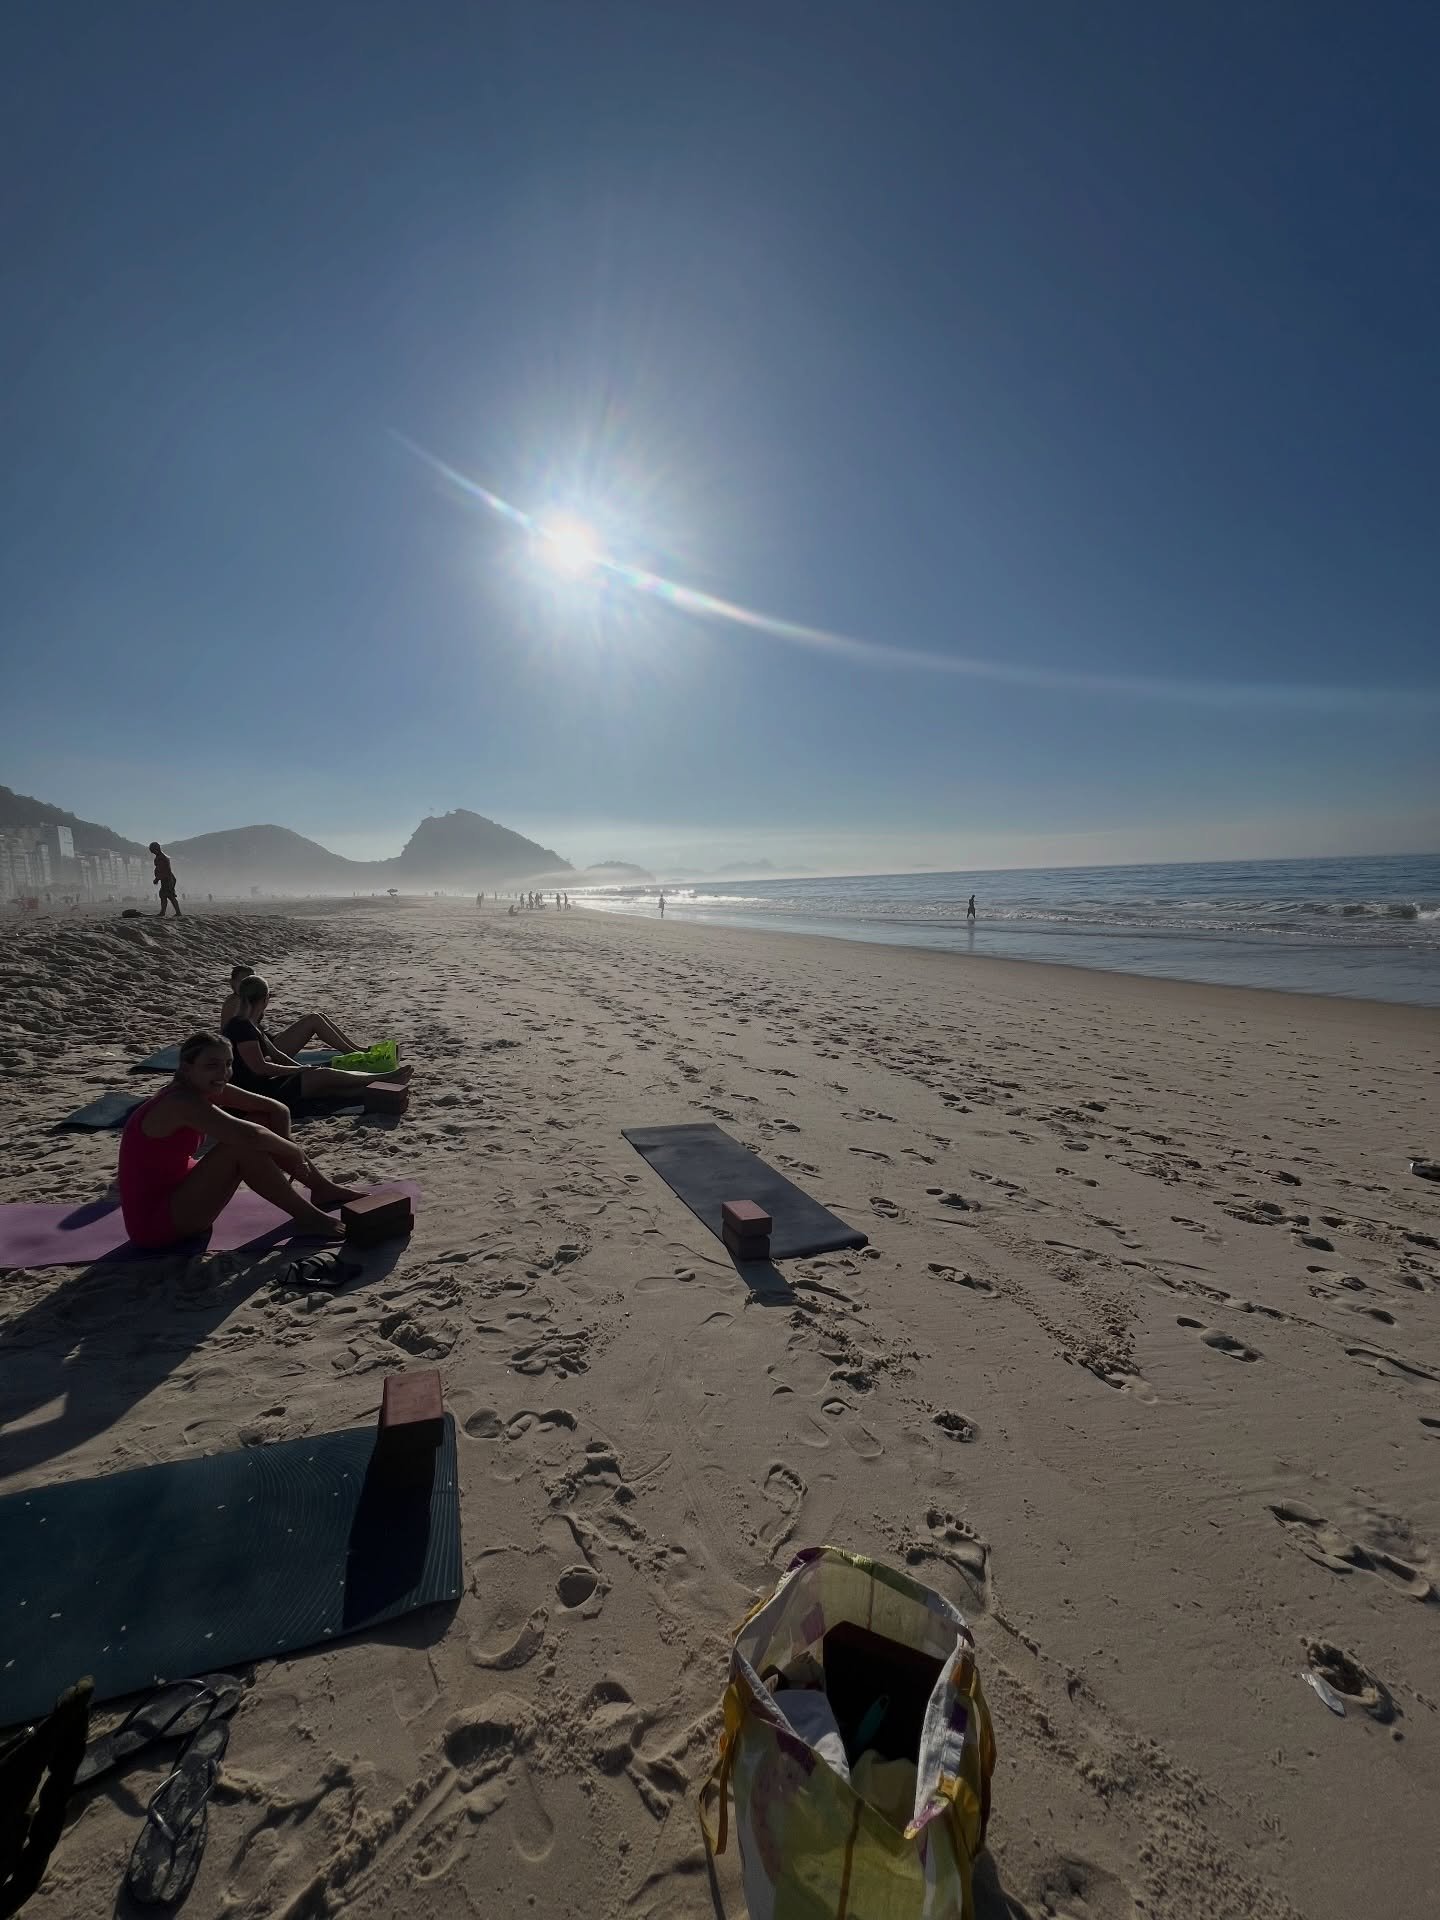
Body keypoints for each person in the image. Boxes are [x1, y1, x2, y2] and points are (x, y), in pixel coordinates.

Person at [117, 1031, 363, 1247]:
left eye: (228, 1064)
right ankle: (307, 1217)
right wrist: (293, 1151)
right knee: (242, 1146)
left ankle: (321, 1189)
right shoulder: (180, 1101)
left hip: (180, 1190)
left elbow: (276, 1109)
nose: (223, 1073)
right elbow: (251, 1136)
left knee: (260, 1122)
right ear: (186, 1068)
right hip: (155, 1222)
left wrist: (290, 1154)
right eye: (212, 1065)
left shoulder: (200, 1086)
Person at [223, 976, 412, 1109]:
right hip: (258, 1092)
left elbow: (277, 1055)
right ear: (266, 999)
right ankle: (380, 1078)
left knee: (326, 1083)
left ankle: (378, 1085)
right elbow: (260, 1068)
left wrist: (301, 1068)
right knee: (322, 1077)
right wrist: (295, 1071)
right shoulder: (242, 1027)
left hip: (265, 1086)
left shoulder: (250, 1024)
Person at [219, 965, 358, 1053]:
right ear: (232, 983)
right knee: (314, 1020)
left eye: (251, 979)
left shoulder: (246, 1000)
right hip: (266, 1049)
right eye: (243, 981)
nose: (248, 984)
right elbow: (233, 1037)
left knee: (319, 1016)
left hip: (269, 1041)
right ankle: (352, 1051)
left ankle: (354, 1048)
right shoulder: (235, 1002)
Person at [150, 842, 181, 917]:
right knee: (165, 895)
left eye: (152, 850)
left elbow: (163, 870)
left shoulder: (161, 858)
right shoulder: (162, 856)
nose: (152, 852)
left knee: (168, 895)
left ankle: (168, 912)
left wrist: (157, 879)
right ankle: (166, 912)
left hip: (167, 879)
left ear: (156, 849)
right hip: (168, 878)